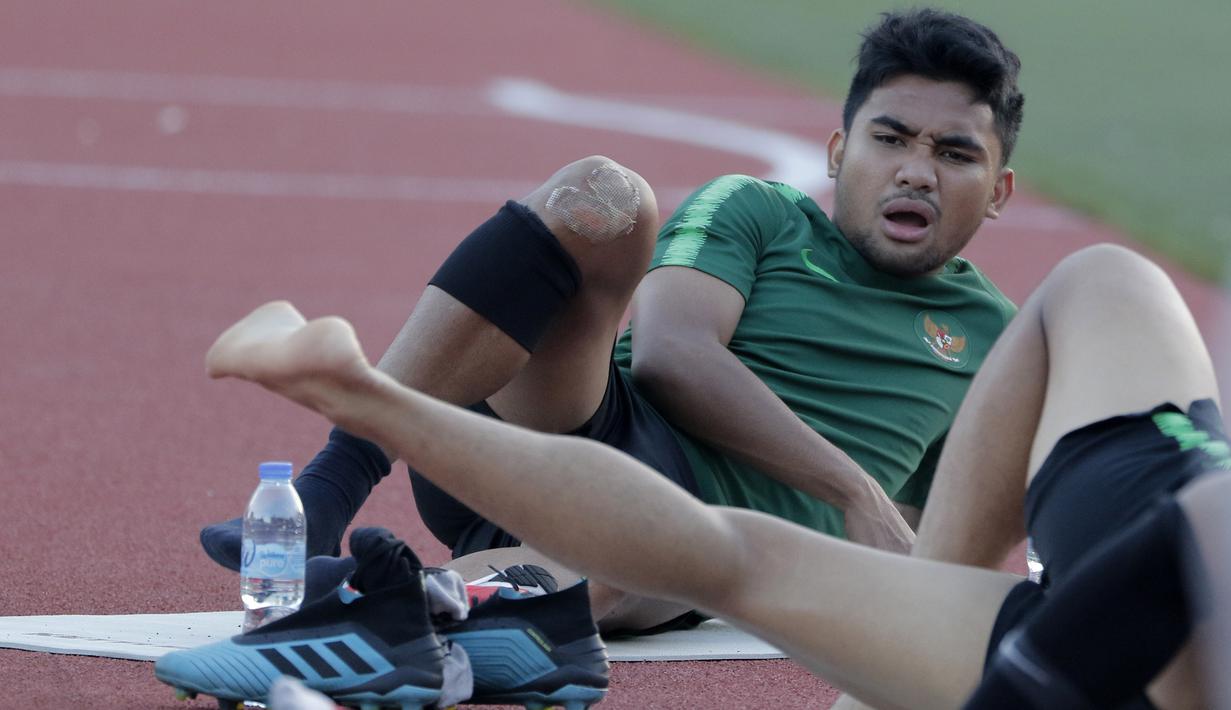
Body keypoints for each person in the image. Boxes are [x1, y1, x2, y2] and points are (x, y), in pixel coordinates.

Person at [201, 7, 1023, 633]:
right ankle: (327, 492)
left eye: (954, 154)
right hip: (594, 431)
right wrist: (848, 487)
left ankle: (386, 598)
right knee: (604, 195)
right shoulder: (759, 211)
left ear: (998, 192)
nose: (915, 171)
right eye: (891, 139)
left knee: (617, 570)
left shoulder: (996, 337)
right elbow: (669, 355)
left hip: (706, 556)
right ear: (841, 152)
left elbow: (935, 535)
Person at [203, 242, 1222, 709]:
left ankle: (363, 396)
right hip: (1154, 569)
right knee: (1102, 280)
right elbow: (671, 348)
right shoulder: (767, 223)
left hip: (1158, 523)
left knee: (1104, 277)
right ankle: (362, 420)